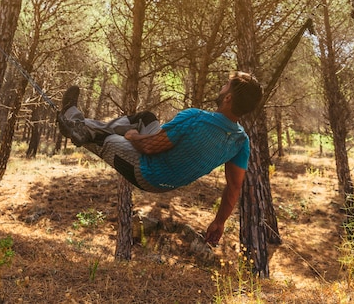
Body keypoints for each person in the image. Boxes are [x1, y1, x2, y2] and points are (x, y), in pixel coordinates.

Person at [57, 71, 263, 245]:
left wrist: (132, 136)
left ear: (228, 99)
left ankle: (73, 121)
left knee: (106, 138)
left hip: (146, 171)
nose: (222, 88)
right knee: (146, 119)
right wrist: (219, 221)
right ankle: (82, 126)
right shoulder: (240, 141)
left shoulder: (196, 118)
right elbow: (234, 187)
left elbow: (149, 147)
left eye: (226, 86)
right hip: (167, 181)